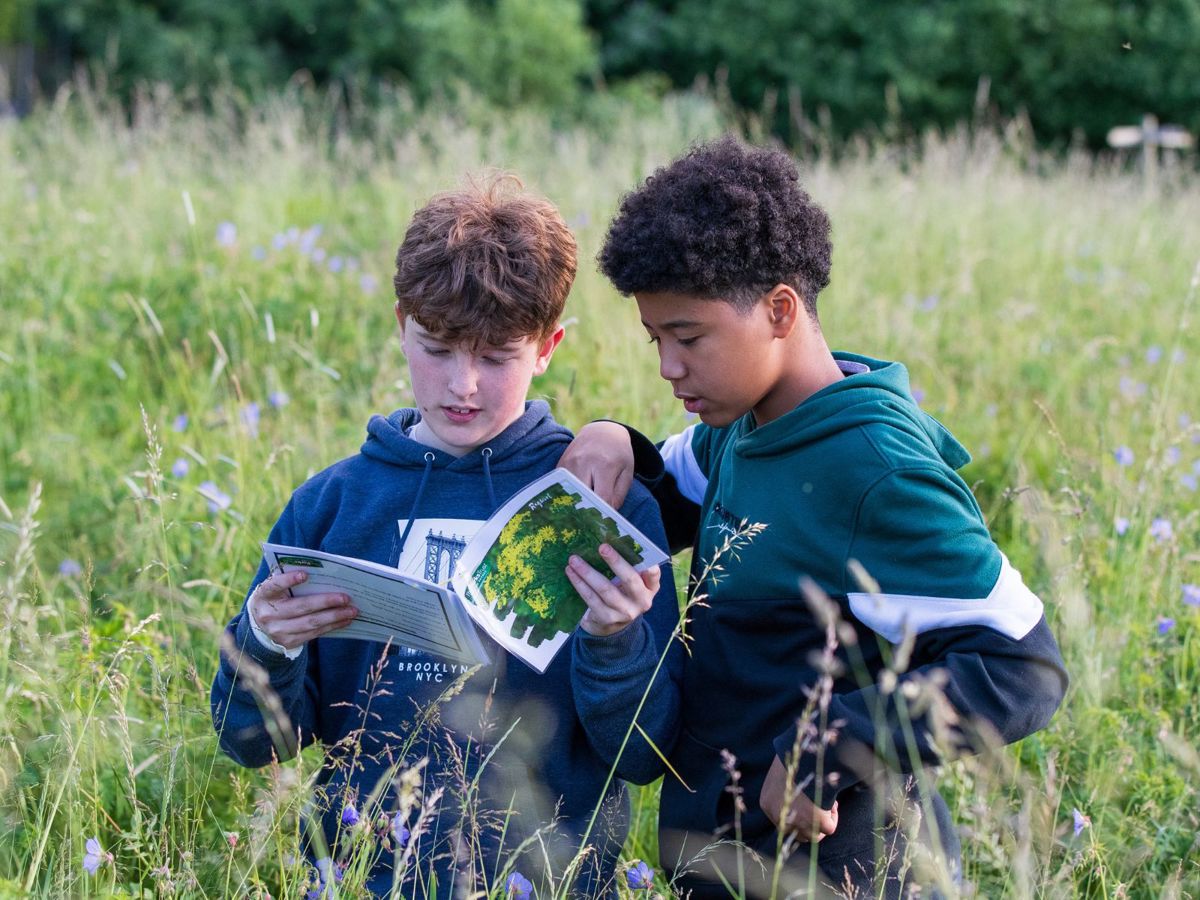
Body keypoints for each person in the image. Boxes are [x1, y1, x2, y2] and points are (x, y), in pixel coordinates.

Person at [559, 136, 1068, 899]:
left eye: (688, 336)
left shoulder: (873, 468)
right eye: (655, 338)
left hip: (846, 872)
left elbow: (1024, 667)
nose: (667, 367)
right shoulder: (743, 422)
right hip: (728, 858)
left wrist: (826, 745)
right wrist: (611, 439)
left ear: (779, 310)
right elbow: (664, 500)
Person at [210, 175, 680, 899]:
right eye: (437, 348)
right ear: (401, 324)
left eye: (496, 358)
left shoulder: (599, 504)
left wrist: (614, 637)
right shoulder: (331, 505)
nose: (463, 385)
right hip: (361, 877)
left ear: (549, 345)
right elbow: (251, 743)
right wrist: (265, 644)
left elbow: (645, 754)